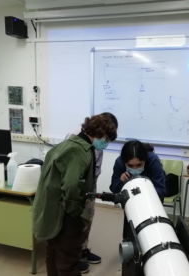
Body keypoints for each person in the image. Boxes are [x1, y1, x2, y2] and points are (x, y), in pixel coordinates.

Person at [33, 114, 117, 276]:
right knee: (68, 262)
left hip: (50, 212)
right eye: (106, 139)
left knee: (52, 253)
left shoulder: (66, 144)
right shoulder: (80, 152)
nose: (105, 144)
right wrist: (76, 213)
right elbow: (71, 186)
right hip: (65, 214)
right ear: (99, 133)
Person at [65, 112, 118, 274]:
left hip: (90, 183)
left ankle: (83, 250)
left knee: (88, 217)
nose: (107, 141)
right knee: (75, 222)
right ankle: (73, 257)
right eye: (107, 136)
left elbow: (95, 163)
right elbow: (71, 172)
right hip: (78, 185)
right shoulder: (75, 137)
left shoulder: (98, 140)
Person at [110, 140, 166, 240]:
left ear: (145, 160)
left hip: (152, 204)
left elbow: (161, 190)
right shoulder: (120, 162)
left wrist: (143, 192)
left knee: (152, 236)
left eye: (139, 165)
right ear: (125, 162)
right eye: (130, 166)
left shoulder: (153, 160)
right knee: (131, 235)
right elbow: (114, 189)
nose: (135, 169)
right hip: (131, 205)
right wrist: (121, 181)